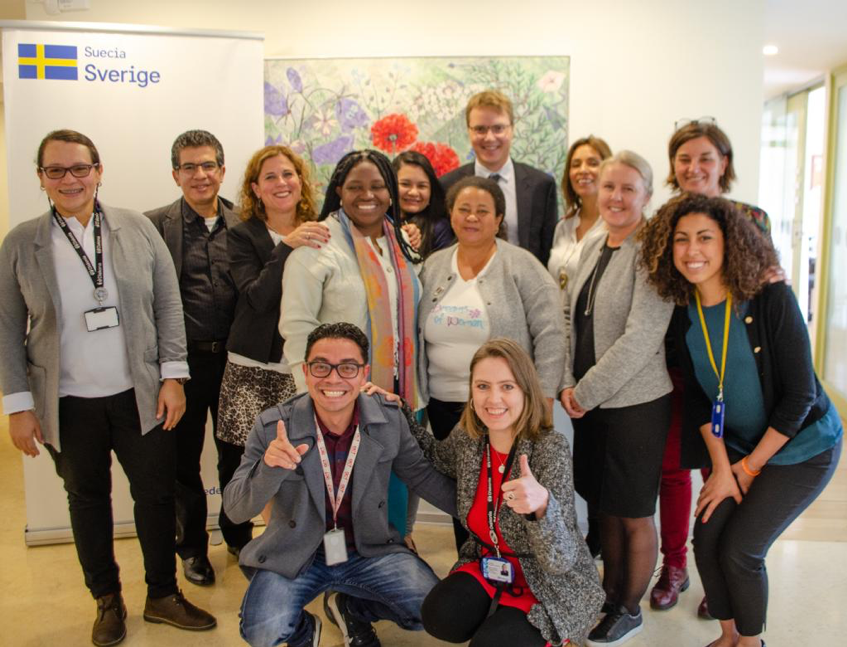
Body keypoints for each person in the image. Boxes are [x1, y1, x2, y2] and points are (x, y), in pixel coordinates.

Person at [0, 130, 215, 646]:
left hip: (140, 395)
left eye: (80, 168)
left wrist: (173, 377)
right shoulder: (21, 242)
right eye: (56, 171)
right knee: (87, 499)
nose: (69, 179)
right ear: (41, 178)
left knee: (157, 497)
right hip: (67, 402)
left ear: (99, 170)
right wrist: (17, 406)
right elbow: (7, 328)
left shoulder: (137, 228)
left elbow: (167, 306)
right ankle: (107, 599)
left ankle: (162, 593)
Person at [640, 193, 842, 647]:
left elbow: (799, 397)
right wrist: (722, 470)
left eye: (705, 238)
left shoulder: (770, 298)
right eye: (682, 240)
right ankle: (729, 636)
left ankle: (752, 643)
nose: (693, 250)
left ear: (729, 243)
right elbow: (695, 398)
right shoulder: (683, 309)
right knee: (707, 538)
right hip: (736, 447)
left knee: (741, 549)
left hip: (803, 447)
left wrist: (748, 470)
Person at [223, 322, 457, 647]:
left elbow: (422, 476)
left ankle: (349, 607)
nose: (333, 379)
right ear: (306, 371)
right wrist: (269, 468)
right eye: (321, 366)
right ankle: (305, 631)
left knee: (433, 612)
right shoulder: (273, 425)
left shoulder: (388, 419)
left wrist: (484, 515)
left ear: (363, 374)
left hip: (368, 550)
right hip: (298, 552)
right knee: (263, 632)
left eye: (347, 368)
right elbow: (235, 510)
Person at [389, 338, 605, 647]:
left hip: (547, 580)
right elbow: (436, 456)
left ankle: (554, 635)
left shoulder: (549, 448)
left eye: (507, 386)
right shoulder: (468, 438)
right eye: (482, 386)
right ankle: (502, 616)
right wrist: (399, 412)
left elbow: (561, 559)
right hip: (489, 563)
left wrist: (542, 508)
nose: (493, 399)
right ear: (472, 392)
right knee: (439, 617)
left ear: (525, 391)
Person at [650, 119, 774, 616]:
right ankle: (674, 565)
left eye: (705, 158)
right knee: (674, 469)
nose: (694, 167)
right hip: (678, 362)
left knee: (721, 467)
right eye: (684, 159)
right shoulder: (661, 219)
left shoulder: (751, 217)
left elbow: (765, 290)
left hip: (733, 365)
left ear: (724, 163)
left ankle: (718, 575)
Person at [559, 151, 674, 646]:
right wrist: (567, 381)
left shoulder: (653, 250)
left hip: (636, 403)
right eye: (609, 187)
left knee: (631, 510)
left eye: (629, 188)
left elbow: (642, 336)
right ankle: (608, 597)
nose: (617, 197)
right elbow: (568, 318)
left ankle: (629, 607)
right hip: (591, 401)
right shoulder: (593, 242)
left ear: (647, 195)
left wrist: (583, 392)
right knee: (603, 506)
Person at [418, 174, 565, 550]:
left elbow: (551, 332)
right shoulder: (433, 265)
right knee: (461, 493)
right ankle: (471, 564)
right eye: (463, 209)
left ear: (499, 219)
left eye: (482, 211)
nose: (472, 217)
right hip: (443, 402)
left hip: (503, 408)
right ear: (450, 215)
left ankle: (513, 571)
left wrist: (544, 395)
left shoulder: (522, 265)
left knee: (503, 492)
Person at [280, 149, 422, 537]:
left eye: (377, 186)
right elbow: (296, 328)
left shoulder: (402, 245)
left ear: (391, 193)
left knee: (402, 485)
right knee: (352, 498)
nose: (367, 195)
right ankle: (357, 573)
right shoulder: (318, 245)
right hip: (341, 400)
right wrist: (309, 397)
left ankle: (396, 551)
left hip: (405, 395)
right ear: (339, 190)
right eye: (355, 186)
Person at [145, 129, 247, 584]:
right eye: (189, 167)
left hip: (237, 364)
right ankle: (191, 549)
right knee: (182, 462)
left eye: (208, 165)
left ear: (222, 171)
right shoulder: (152, 226)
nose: (200, 175)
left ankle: (240, 535)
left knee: (238, 455)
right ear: (175, 174)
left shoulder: (247, 224)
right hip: (180, 367)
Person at [216, 145, 329, 539]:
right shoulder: (242, 235)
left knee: (300, 461)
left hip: (301, 369)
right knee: (246, 460)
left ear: (301, 182)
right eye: (270, 177)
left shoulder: (322, 227)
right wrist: (287, 246)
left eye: (288, 174)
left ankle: (292, 539)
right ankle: (241, 539)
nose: (281, 183)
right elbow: (256, 297)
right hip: (254, 369)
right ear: (255, 189)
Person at [440, 90, 558, 266]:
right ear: (469, 131)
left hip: (522, 287)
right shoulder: (447, 185)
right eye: (480, 129)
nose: (489, 137)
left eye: (498, 128)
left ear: (512, 129)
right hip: (465, 285)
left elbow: (546, 251)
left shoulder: (541, 185)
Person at [547, 136, 612, 297]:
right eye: (576, 165)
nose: (583, 170)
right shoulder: (563, 226)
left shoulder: (615, 228)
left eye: (592, 163)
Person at [392, 150, 454, 258]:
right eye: (405, 184)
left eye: (422, 186)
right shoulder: (378, 221)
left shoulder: (439, 228)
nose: (413, 192)